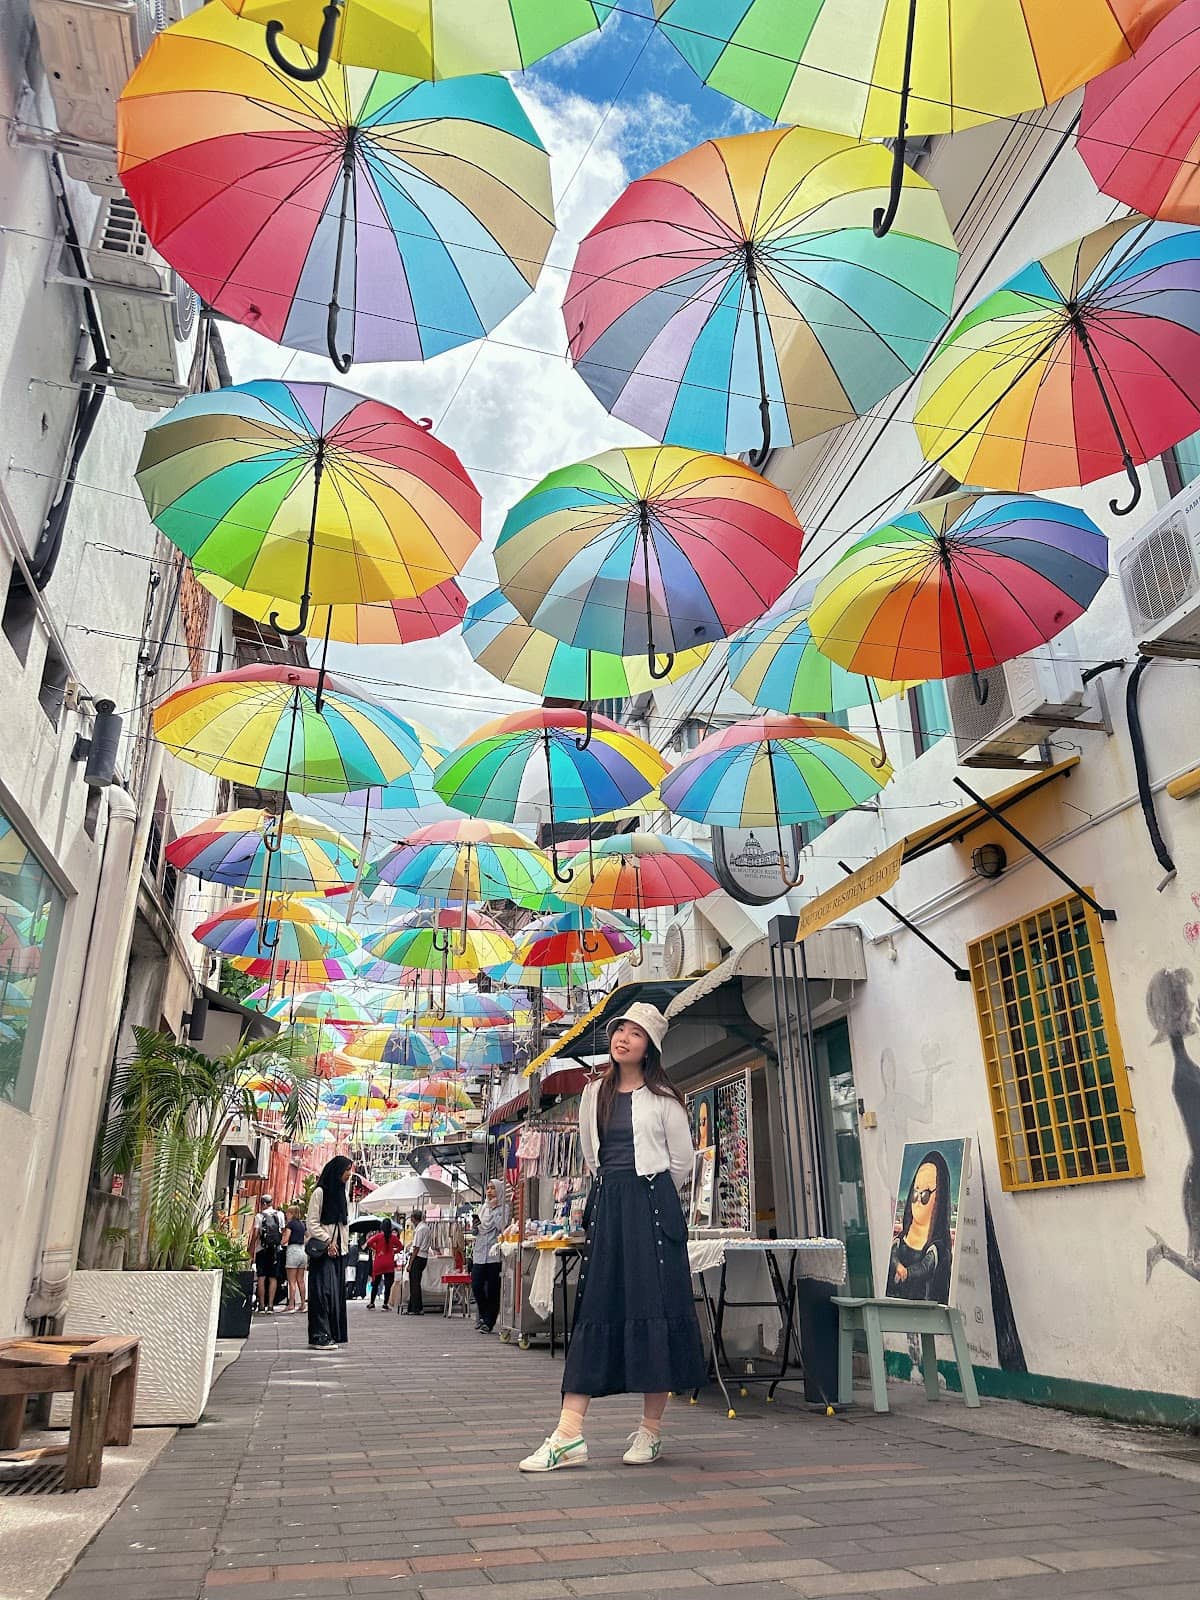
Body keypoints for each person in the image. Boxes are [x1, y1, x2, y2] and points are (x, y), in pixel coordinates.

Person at [520, 1004, 705, 1473]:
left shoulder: (666, 1098)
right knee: (596, 1307)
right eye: (620, 1029)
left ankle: (650, 1431)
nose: (623, 1038)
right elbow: (590, 1153)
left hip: (653, 1204)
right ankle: (567, 1434)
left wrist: (650, 1194)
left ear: (651, 1047)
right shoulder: (593, 1094)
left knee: (655, 1309)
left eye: (636, 1033)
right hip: (608, 1203)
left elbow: (681, 1163)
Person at [886, 1150, 953, 1303]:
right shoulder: (902, 1237)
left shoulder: (937, 1247)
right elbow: (893, 1254)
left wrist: (906, 1272)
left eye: (925, 1194)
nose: (917, 1201)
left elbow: (925, 1267)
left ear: (939, 1197)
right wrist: (897, 1265)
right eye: (916, 1192)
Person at [306, 1156, 353, 1348]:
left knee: (335, 1295)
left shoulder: (343, 1194)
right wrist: (328, 1241)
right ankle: (319, 1335)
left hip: (339, 1252)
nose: (349, 1174)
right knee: (322, 1293)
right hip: (324, 1252)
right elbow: (312, 1222)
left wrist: (343, 1247)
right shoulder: (320, 1192)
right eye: (346, 1170)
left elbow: (343, 1224)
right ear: (337, 1171)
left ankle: (333, 1333)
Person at [472, 1180, 508, 1335]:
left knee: (493, 1289)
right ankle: (485, 1314)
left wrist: (495, 1210)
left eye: (493, 1188)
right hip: (480, 1253)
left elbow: (502, 1227)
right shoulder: (482, 1208)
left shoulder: (503, 1208)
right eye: (488, 1188)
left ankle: (489, 1321)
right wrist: (474, 1226)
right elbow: (477, 1232)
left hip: (494, 1255)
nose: (490, 1191)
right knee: (477, 1286)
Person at [250, 1194, 284, 1315]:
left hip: (261, 1250)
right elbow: (282, 1231)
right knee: (273, 1277)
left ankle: (261, 1305)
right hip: (275, 1250)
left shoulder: (259, 1216)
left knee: (261, 1277)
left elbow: (256, 1234)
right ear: (271, 1202)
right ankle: (270, 1306)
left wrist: (251, 1248)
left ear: (263, 1204)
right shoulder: (280, 1215)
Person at [365, 1218, 400, 1309]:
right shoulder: (393, 1237)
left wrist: (376, 1249)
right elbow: (401, 1247)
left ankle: (372, 1303)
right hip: (389, 1263)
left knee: (375, 1283)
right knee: (388, 1284)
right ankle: (385, 1304)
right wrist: (394, 1252)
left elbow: (368, 1243)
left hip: (379, 1262)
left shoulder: (378, 1236)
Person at [406, 1210, 432, 1315]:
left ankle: (416, 1308)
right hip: (423, 1257)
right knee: (416, 1283)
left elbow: (416, 1248)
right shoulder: (426, 1228)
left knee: (414, 1284)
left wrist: (410, 1263)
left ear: (414, 1218)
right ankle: (415, 1307)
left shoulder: (420, 1229)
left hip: (418, 1256)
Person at [283, 1203, 308, 1314]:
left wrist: (280, 1240)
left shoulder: (290, 1225)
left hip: (292, 1250)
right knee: (301, 1280)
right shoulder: (302, 1224)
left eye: (287, 1213)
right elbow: (308, 1236)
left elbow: (286, 1239)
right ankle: (303, 1304)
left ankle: (291, 1304)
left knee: (291, 1281)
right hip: (302, 1251)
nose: (286, 1215)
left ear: (292, 1214)